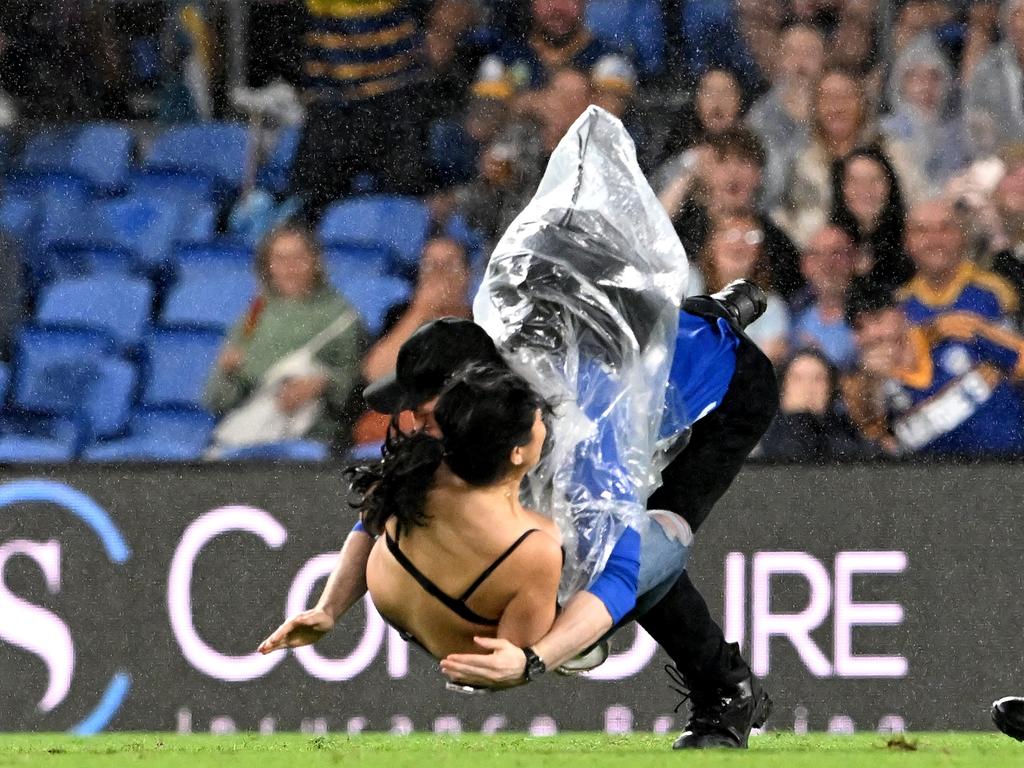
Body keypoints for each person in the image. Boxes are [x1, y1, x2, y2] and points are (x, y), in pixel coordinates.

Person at [203, 225, 367, 452]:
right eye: (280, 259)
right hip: (250, 433)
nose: (290, 267)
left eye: (298, 257)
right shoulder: (256, 312)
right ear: (267, 266)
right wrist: (227, 372)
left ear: (316, 261)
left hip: (312, 440)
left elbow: (358, 388)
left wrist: (323, 385)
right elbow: (217, 399)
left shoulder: (343, 318)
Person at [841, 282, 1024, 456]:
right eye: (859, 328)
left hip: (1013, 462)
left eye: (878, 319)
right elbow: (876, 447)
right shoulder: (859, 384)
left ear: (900, 312)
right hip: (940, 482)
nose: (873, 334)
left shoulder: (951, 329)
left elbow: (1020, 355)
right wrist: (871, 381)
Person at [659, 127, 805, 300]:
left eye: (744, 161)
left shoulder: (774, 242)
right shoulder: (686, 229)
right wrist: (688, 173)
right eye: (722, 161)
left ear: (759, 174)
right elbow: (648, 236)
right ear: (705, 172)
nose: (733, 172)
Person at [897, 198, 1019, 327]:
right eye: (921, 230)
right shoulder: (899, 303)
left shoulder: (997, 293)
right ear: (906, 242)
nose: (934, 239)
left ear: (963, 236)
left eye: (945, 228)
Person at [746, 23, 827, 210]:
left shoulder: (836, 111)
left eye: (810, 53)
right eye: (793, 52)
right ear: (780, 59)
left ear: (824, 60)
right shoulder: (759, 117)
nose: (801, 62)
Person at [694, 214, 790, 365]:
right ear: (711, 243)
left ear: (760, 251)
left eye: (751, 236)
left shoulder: (772, 307)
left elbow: (762, 365)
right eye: (731, 234)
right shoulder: (689, 281)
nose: (739, 245)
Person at [881, 34, 967, 197]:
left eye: (934, 77)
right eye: (915, 77)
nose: (925, 86)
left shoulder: (959, 133)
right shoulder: (885, 132)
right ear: (900, 83)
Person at [758, 348, 874, 461]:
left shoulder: (845, 431)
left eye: (818, 379)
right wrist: (798, 418)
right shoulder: (760, 432)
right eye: (798, 379)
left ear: (831, 388)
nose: (808, 387)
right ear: (783, 386)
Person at [831, 146, 915, 291]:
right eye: (855, 181)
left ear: (890, 186)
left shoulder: (910, 239)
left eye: (875, 180)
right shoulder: (830, 243)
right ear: (841, 189)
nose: (865, 190)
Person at [790, 226, 858, 370]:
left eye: (837, 253)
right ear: (804, 265)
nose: (827, 263)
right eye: (817, 254)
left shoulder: (875, 312)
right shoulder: (790, 313)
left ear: (853, 260)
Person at [964, 0, 1024, 147]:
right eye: (1018, 15)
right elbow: (975, 117)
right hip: (1003, 154)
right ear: (1008, 25)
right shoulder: (989, 66)